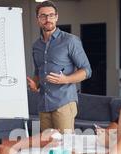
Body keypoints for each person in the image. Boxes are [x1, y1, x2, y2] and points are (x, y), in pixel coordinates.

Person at [27, 0, 92, 133]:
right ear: (38, 19)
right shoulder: (36, 46)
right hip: (43, 105)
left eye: (51, 15)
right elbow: (39, 72)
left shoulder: (70, 40)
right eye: (43, 16)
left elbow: (87, 70)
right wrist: (35, 84)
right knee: (47, 147)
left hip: (64, 103)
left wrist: (66, 79)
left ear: (56, 17)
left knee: (65, 147)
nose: (47, 19)